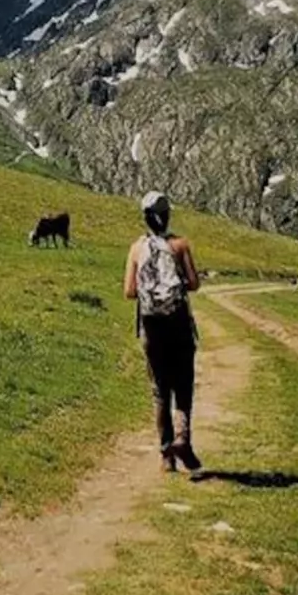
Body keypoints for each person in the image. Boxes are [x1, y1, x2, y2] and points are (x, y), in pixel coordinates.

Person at [123, 191, 203, 473]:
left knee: (160, 391)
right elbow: (194, 284)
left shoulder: (136, 249)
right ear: (167, 215)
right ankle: (183, 439)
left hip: (151, 327)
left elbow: (129, 291)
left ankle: (166, 456)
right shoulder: (179, 245)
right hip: (178, 323)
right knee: (183, 386)